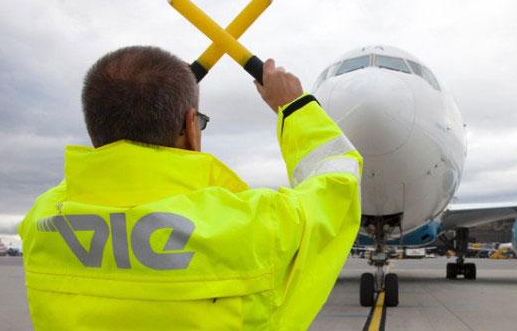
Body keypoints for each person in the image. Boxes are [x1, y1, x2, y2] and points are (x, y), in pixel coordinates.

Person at [18, 46, 362, 330]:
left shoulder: (43, 222)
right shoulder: (255, 226)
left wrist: (151, 100)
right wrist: (295, 106)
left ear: (95, 127)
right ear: (189, 126)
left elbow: (94, 175)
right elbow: (337, 183)